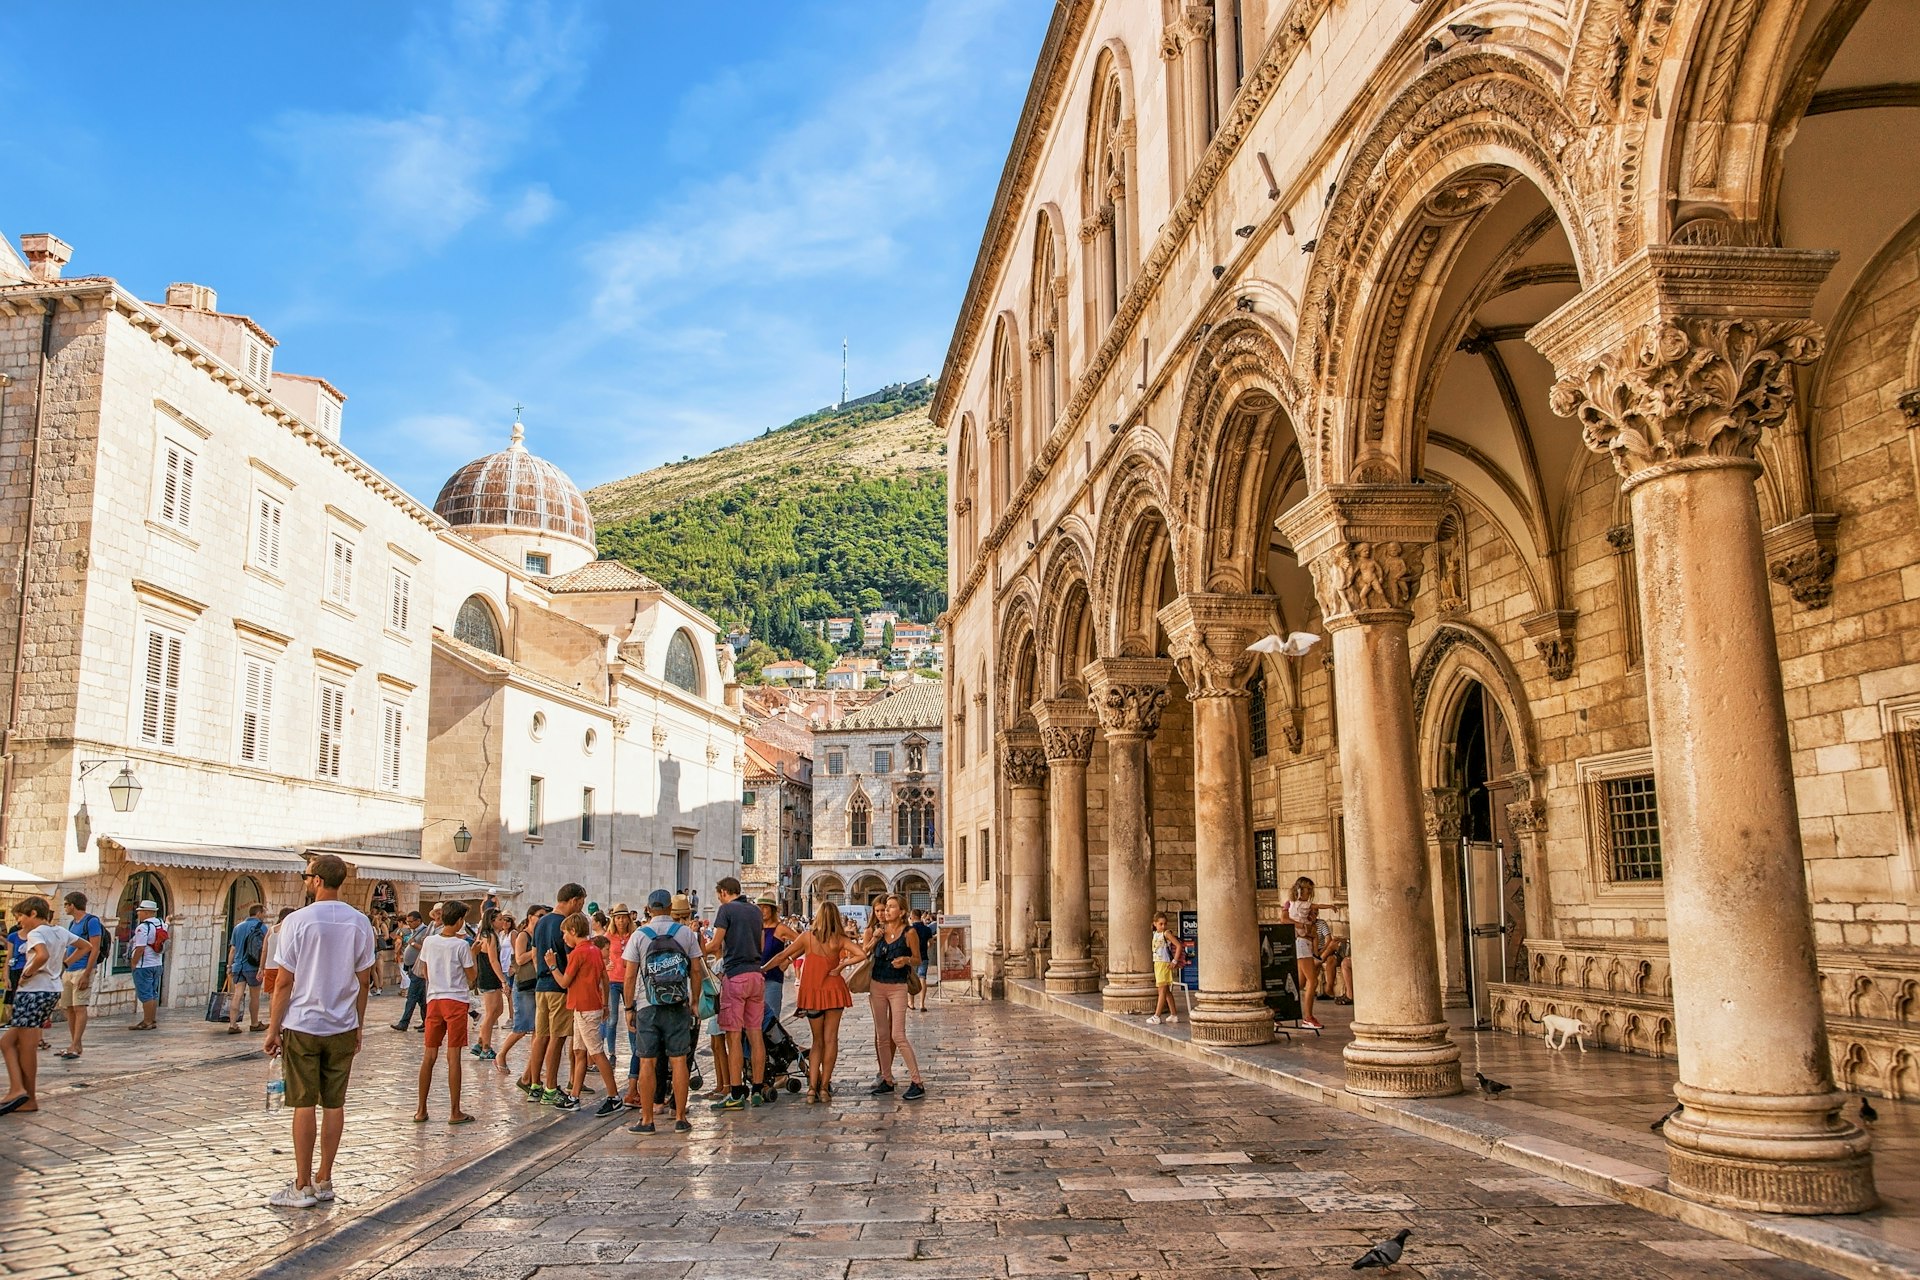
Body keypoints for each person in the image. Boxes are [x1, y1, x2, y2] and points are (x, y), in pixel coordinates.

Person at [263, 854, 376, 1208]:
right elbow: (364, 981)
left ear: (315, 880)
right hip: (342, 1024)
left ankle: (302, 1184)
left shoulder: (298, 921)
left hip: (302, 1023)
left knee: (303, 1103)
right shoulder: (360, 923)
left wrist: (272, 1028)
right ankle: (325, 1178)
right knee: (334, 1102)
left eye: (305, 875)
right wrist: (358, 1023)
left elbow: (284, 982)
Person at [764, 900, 862, 1103]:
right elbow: (862, 953)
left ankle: (811, 1089)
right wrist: (842, 965)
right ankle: (824, 1088)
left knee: (816, 1042)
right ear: (836, 918)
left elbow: (783, 954)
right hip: (834, 990)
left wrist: (762, 968)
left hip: (813, 993)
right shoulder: (840, 940)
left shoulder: (807, 937)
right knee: (830, 1040)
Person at [624, 889, 702, 1134]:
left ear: (648, 909)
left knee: (647, 1061)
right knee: (679, 1060)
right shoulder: (685, 933)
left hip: (648, 1004)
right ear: (670, 908)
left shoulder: (639, 935)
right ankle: (680, 1117)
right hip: (678, 1003)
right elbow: (696, 971)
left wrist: (628, 1007)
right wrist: (695, 1002)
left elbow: (629, 975)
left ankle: (647, 1120)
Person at [547, 912, 622, 1116]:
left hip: (585, 1007)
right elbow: (603, 978)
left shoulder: (579, 953)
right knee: (579, 1052)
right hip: (589, 1006)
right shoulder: (594, 950)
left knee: (596, 1053)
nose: (563, 938)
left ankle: (614, 1097)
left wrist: (552, 965)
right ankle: (574, 1096)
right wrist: (605, 1004)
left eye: (565, 934)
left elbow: (564, 982)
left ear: (573, 931)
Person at [704, 876, 768, 1110]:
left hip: (736, 976)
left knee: (733, 1036)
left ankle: (736, 1092)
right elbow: (760, 944)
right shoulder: (755, 911)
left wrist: (700, 947)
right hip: (756, 975)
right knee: (755, 1034)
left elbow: (716, 944)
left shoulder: (726, 910)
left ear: (722, 892)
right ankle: (758, 1089)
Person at [1, 896, 69, 1114]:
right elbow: (84, 946)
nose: (19, 921)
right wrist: (62, 966)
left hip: (33, 991)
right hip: (50, 989)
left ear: (32, 913)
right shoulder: (59, 931)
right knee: (7, 1043)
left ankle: (27, 1096)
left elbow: (42, 955)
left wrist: (28, 973)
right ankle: (17, 1089)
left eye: (21, 915)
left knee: (27, 1047)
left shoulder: (36, 933)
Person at [416, 900, 477, 1125]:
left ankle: (421, 1109)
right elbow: (472, 977)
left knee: (429, 1056)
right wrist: (475, 953)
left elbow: (425, 970)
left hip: (434, 1000)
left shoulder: (429, 941)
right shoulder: (461, 946)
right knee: (453, 1058)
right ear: (460, 920)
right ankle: (454, 1111)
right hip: (456, 1001)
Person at [861, 893, 926, 1100]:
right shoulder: (879, 930)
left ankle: (917, 1081)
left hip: (898, 986)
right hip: (877, 985)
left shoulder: (910, 933)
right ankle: (887, 1079)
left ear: (902, 911)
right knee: (882, 1036)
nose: (886, 910)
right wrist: (874, 939)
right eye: (885, 907)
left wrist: (906, 959)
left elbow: (918, 959)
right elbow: (865, 952)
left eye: (891, 907)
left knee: (897, 1035)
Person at [526, 884, 585, 1104]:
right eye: (581, 902)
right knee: (557, 1039)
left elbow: (534, 954)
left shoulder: (540, 922)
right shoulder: (564, 924)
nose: (581, 907)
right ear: (574, 900)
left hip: (540, 985)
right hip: (558, 986)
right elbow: (569, 958)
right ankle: (551, 1087)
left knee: (540, 1037)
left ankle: (534, 1086)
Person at [57, 891, 104, 1059]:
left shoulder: (91, 922)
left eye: (66, 904)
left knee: (80, 1007)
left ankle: (76, 1044)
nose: (65, 908)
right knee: (68, 1007)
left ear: (72, 905)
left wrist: (87, 973)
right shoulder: (72, 924)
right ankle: (75, 1043)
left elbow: (95, 947)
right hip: (69, 970)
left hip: (82, 969)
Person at [499, 907, 540, 1073]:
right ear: (530, 917)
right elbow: (520, 958)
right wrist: (535, 951)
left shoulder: (539, 935)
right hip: (524, 983)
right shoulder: (523, 935)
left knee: (538, 1028)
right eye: (540, 916)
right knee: (522, 1027)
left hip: (537, 983)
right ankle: (501, 1055)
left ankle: (533, 1065)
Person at [1284, 877, 1323, 1031]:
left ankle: (1275, 1011)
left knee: (1299, 983)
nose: (1309, 892)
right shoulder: (1291, 904)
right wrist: (1301, 925)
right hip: (1301, 943)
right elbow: (1284, 919)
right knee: (1313, 981)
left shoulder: (1305, 907)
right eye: (1307, 889)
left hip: (1305, 942)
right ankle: (1308, 1017)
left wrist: (1311, 920)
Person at [225, 903, 270, 1035]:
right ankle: (254, 1023)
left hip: (238, 966)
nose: (264, 916)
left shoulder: (238, 927)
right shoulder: (262, 928)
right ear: (258, 913)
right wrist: (262, 967)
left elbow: (232, 949)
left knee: (237, 995)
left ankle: (233, 1025)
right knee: (254, 996)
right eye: (263, 913)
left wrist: (229, 966)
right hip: (253, 966)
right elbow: (264, 949)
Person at [472, 908, 507, 1061]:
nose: (502, 922)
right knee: (492, 1012)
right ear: (492, 921)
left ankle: (481, 1041)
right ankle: (486, 1046)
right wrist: (503, 980)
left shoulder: (484, 935)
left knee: (498, 1010)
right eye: (499, 919)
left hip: (487, 976)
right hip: (489, 976)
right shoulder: (490, 936)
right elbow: (493, 960)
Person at [126, 899, 166, 1030]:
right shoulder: (161, 924)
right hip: (157, 963)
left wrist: (133, 963)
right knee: (153, 992)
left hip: (144, 965)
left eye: (141, 911)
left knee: (145, 994)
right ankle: (152, 1019)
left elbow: (140, 948)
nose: (139, 914)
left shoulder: (142, 928)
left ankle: (147, 1021)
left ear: (147, 912)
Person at [757, 899, 797, 1028]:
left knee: (771, 1018)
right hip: (755, 978)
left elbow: (803, 943)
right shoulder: (756, 928)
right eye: (759, 907)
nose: (762, 911)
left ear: (772, 910)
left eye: (765, 907)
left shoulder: (780, 928)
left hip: (772, 977)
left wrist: (789, 959)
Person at [604, 904, 635, 1067]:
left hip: (629, 980)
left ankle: (635, 1050)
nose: (620, 921)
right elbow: (600, 953)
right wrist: (605, 964)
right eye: (617, 917)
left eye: (623, 917)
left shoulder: (634, 935)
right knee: (613, 1018)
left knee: (631, 1016)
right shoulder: (608, 936)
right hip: (613, 980)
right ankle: (612, 1052)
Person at [390, 911, 428, 1032]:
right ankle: (426, 1021)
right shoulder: (414, 931)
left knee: (412, 996)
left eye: (411, 921)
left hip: (419, 968)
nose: (409, 924)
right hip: (412, 967)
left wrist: (412, 943)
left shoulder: (425, 931)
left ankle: (404, 1023)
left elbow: (425, 948)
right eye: (408, 922)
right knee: (421, 998)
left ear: (418, 921)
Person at [1148, 913, 1180, 1025]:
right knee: (1166, 991)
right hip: (1158, 963)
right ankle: (1174, 1014)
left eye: (1165, 924)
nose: (1163, 926)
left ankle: (1157, 1016)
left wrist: (1174, 961)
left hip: (1164, 964)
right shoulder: (1155, 934)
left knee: (1161, 990)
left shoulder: (1166, 934)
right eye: (1160, 924)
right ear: (1155, 923)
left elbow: (1179, 946)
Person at [261, 907, 295, 1007]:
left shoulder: (271, 930)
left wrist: (261, 967)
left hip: (270, 967)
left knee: (272, 996)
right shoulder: (291, 930)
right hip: (285, 967)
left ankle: (272, 1019)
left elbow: (264, 950)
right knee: (286, 995)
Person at [907, 909, 935, 1012]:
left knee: (911, 979)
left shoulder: (910, 929)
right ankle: (922, 1004)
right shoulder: (927, 929)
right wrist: (926, 948)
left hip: (912, 957)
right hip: (923, 956)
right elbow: (931, 942)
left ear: (913, 917)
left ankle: (911, 1003)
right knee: (922, 978)